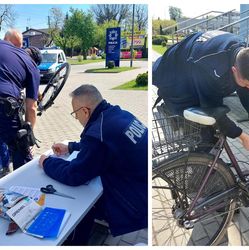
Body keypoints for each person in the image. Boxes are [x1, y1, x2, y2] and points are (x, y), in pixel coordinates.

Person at [38, 84, 148, 245]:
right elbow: (106, 146)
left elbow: (74, 175)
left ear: (84, 111)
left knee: (85, 202)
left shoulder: (98, 133)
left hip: (135, 203)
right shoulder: (119, 114)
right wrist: (71, 147)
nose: (76, 118)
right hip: (142, 183)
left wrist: (46, 162)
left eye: (75, 114)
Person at [153, 30, 249, 151]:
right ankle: (199, 164)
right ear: (234, 70)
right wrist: (241, 136)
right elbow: (213, 110)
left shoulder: (244, 55)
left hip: (190, 65)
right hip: (171, 76)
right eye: (247, 84)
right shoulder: (212, 67)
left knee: (212, 132)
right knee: (206, 136)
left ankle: (206, 162)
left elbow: (246, 87)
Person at [0, 35, 41, 171]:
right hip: (3, 104)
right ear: (35, 61)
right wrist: (28, 138)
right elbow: (31, 108)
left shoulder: (5, 45)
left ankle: (3, 168)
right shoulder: (32, 66)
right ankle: (22, 188)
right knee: (20, 146)